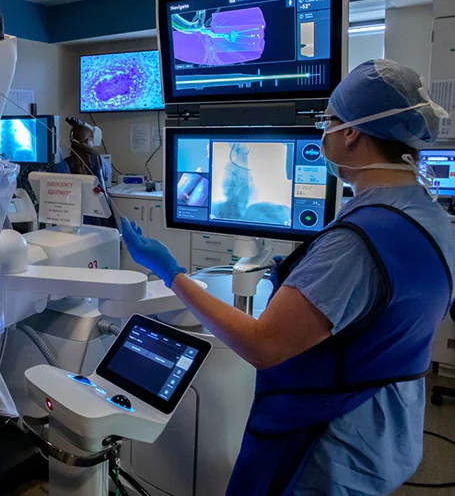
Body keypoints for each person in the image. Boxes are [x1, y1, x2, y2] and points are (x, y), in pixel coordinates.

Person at [121, 59, 454, 495]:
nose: (324, 131)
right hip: (386, 423)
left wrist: (171, 273)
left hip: (326, 440)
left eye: (329, 120)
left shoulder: (357, 241)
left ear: (352, 132)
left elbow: (263, 346)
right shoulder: (429, 215)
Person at [54, 123, 117, 228]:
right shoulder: (99, 160)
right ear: (89, 141)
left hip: (78, 217)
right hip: (102, 214)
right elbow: (107, 174)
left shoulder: (65, 165)